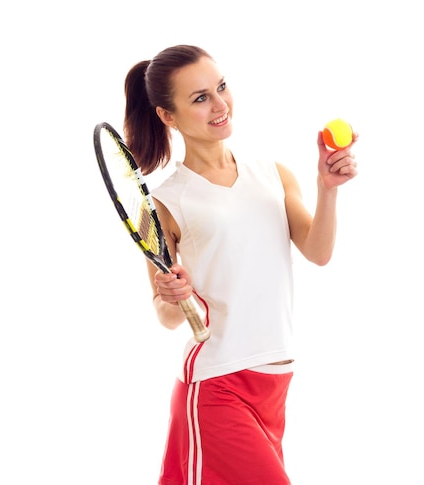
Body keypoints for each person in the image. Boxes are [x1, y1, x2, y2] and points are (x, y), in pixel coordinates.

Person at [123, 45, 358, 485]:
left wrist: (327, 188)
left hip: (275, 380)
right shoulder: (163, 205)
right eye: (199, 98)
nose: (220, 105)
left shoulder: (273, 174)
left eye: (222, 87)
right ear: (168, 116)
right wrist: (175, 296)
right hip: (216, 384)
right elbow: (167, 314)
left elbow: (318, 251)